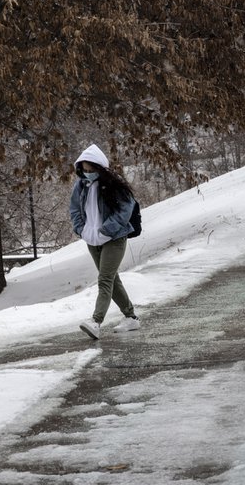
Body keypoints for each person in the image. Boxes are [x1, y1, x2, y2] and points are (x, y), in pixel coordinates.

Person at [69, 144, 139, 340]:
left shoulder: (114, 186)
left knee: (105, 279)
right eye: (84, 169)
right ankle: (131, 317)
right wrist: (81, 229)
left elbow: (125, 210)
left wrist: (105, 230)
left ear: (100, 167)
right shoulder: (81, 185)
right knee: (112, 279)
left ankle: (96, 322)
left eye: (91, 170)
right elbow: (74, 210)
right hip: (91, 239)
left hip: (114, 238)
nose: (87, 173)